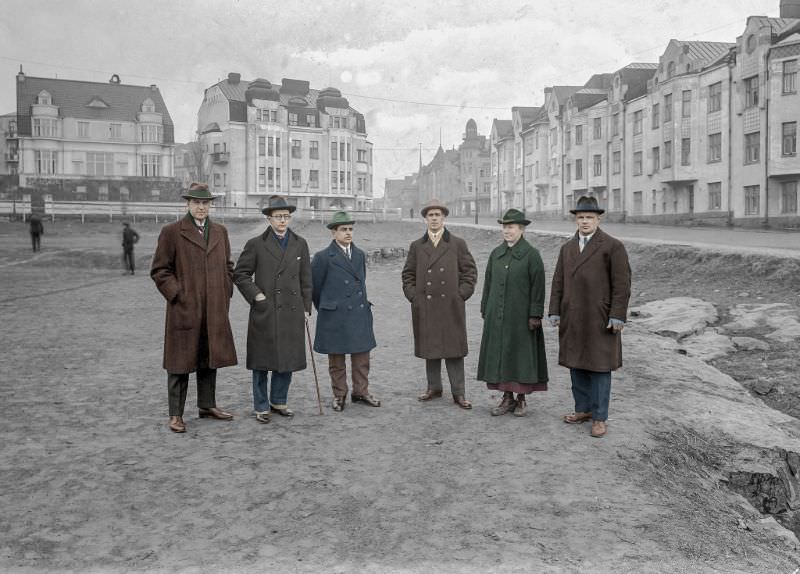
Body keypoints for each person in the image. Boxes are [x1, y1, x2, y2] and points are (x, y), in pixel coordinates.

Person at [150, 182, 238, 434]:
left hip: (214, 308)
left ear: (211, 205)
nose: (201, 207)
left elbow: (228, 267)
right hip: (184, 309)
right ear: (187, 204)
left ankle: (207, 405)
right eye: (196, 202)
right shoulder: (172, 232)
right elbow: (160, 270)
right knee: (180, 362)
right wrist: (178, 295)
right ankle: (176, 414)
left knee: (209, 357)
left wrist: (225, 292)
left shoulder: (221, 231)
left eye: (205, 203)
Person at [548, 195, 631, 438]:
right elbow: (558, 282)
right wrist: (554, 310)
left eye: (590, 217)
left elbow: (622, 285)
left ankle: (599, 417)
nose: (585, 222)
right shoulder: (567, 248)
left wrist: (617, 315)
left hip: (600, 317)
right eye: (581, 217)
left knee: (599, 366)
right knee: (576, 363)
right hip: (573, 315)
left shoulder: (612, 246)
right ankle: (582, 409)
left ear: (598, 219)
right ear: (575, 219)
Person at [233, 195, 312, 424]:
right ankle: (260, 405)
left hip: (292, 311)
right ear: (269, 219)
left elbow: (306, 279)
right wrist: (257, 295)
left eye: (286, 216)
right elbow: (240, 274)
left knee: (286, 358)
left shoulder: (300, 243)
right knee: (262, 360)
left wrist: (306, 308)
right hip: (265, 310)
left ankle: (279, 401)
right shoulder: (256, 244)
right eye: (278, 217)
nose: (283, 221)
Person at [401, 198, 477, 409]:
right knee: (430, 346)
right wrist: (414, 296)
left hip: (451, 305)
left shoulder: (457, 243)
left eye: (438, 215)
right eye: (430, 215)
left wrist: (461, 294)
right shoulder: (417, 246)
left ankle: (459, 392)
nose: (434, 219)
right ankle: (434, 387)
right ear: (425, 219)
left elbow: (469, 272)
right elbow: (408, 274)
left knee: (454, 349)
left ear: (444, 218)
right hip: (426, 305)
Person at [477, 208, 548, 417]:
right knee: (501, 355)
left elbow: (538, 287)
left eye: (511, 227)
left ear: (522, 229)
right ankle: (506, 398)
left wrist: (535, 314)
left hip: (521, 318)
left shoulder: (531, 255)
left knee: (520, 356)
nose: (507, 231)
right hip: (497, 316)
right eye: (504, 227)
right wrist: (485, 309)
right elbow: (488, 284)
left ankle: (521, 400)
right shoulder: (496, 254)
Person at [311, 211, 380, 411]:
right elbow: (315, 289)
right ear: (334, 233)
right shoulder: (323, 257)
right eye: (343, 230)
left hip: (358, 313)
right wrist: (327, 307)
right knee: (337, 360)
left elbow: (362, 282)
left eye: (350, 229)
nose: (348, 233)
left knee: (361, 358)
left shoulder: (359, 254)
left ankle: (361, 392)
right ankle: (339, 395)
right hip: (334, 314)